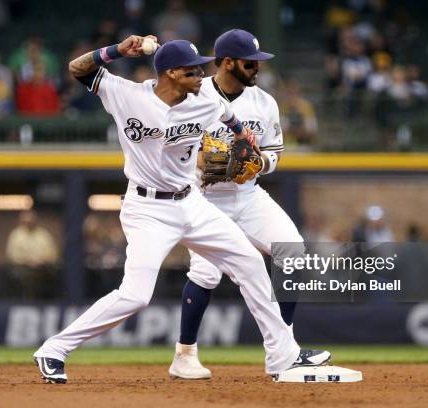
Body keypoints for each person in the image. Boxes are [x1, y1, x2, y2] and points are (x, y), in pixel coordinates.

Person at [33, 34, 330, 384]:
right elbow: (77, 69)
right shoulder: (127, 94)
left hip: (192, 202)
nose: (201, 77)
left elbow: (230, 118)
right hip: (147, 208)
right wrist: (115, 51)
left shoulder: (203, 99)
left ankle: (282, 357)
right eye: (193, 72)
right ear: (172, 73)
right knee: (135, 296)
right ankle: (54, 348)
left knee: (250, 263)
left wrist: (245, 143)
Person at [167, 29, 327, 380]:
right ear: (227, 63)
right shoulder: (194, 93)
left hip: (248, 194)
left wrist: (259, 164)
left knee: (293, 251)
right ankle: (185, 354)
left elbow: (274, 153)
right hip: (205, 197)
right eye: (250, 62)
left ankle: (285, 351)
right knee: (207, 273)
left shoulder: (264, 101)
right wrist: (197, 161)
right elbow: (170, 142)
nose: (257, 67)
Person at [5, 210, 58, 298]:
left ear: (35, 220)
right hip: (22, 268)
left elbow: (53, 253)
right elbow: (11, 255)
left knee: (51, 274)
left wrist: (41, 260)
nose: (29, 223)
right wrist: (27, 261)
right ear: (21, 221)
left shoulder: (43, 234)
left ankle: (45, 300)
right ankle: (26, 300)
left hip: (42, 268)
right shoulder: (16, 235)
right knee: (21, 275)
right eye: (27, 221)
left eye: (31, 220)